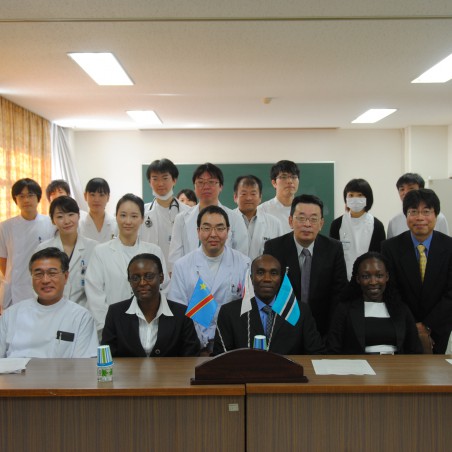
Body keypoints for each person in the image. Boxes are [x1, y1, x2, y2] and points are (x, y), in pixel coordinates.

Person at [168, 205, 250, 353]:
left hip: (232, 346)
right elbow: (178, 311)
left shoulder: (244, 263)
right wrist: (198, 344)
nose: (213, 234)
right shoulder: (182, 266)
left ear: (228, 231)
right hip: (193, 344)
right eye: (206, 228)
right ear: (198, 231)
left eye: (220, 228)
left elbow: (246, 310)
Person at [264, 194, 348, 337]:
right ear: (290, 221)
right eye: (301, 218)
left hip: (322, 328)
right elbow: (269, 292)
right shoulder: (274, 248)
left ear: (321, 224)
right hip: (283, 327)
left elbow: (339, 294)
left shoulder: (333, 249)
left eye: (313, 219)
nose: (307, 224)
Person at [381, 189, 452, 354]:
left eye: (426, 212)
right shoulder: (390, 247)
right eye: (413, 212)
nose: (420, 218)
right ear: (406, 215)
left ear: (436, 215)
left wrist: (428, 325)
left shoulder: (449, 247)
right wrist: (413, 325)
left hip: (440, 328)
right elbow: (391, 290)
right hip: (402, 327)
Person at [85, 194, 169, 332]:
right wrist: (109, 328)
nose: (128, 221)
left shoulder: (154, 251)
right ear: (116, 217)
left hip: (150, 327)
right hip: (111, 328)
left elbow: (164, 289)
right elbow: (95, 295)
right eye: (123, 215)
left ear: (142, 219)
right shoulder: (100, 252)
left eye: (134, 216)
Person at [213, 254, 325, 355]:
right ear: (251, 278)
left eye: (274, 273)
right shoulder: (229, 312)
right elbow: (220, 358)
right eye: (260, 272)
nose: (267, 279)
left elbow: (316, 354)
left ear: (280, 279)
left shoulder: (299, 311)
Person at [0, 247, 98, 358]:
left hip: (63, 370)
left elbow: (84, 363)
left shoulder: (81, 317)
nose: (45, 280)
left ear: (66, 276)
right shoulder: (11, 314)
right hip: (15, 369)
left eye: (52, 273)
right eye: (38, 274)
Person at [102, 253, 200, 357]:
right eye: (135, 278)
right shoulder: (115, 313)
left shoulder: (181, 314)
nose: (142, 283)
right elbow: (108, 357)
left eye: (149, 276)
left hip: (171, 369)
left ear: (161, 278)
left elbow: (191, 357)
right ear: (129, 281)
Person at [327, 252, 422, 354]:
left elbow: (415, 349)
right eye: (366, 276)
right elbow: (333, 349)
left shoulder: (401, 309)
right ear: (358, 279)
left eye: (379, 275)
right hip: (359, 363)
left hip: (396, 363)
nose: (373, 282)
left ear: (387, 277)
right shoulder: (345, 309)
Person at [168, 162, 249, 268]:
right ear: (194, 187)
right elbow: (175, 258)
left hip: (226, 275)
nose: (206, 187)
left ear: (221, 186)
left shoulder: (235, 218)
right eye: (200, 182)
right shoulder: (181, 219)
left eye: (211, 182)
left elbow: (241, 257)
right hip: (190, 276)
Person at [0, 178, 55, 310]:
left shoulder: (50, 224)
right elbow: (3, 259)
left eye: (30, 195)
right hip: (15, 289)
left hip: (42, 284)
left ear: (38, 198)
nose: (26, 200)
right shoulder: (5, 226)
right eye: (21, 196)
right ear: (15, 199)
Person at [35, 196, 98, 307]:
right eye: (60, 216)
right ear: (52, 220)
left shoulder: (94, 248)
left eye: (71, 214)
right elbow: (36, 284)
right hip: (52, 309)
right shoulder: (43, 249)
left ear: (78, 216)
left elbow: (98, 287)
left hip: (84, 311)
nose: (67, 221)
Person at [329, 178, 386, 279]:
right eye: (351, 195)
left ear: (367, 198)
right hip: (342, 281)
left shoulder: (377, 225)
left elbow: (380, 258)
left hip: (369, 282)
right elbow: (332, 256)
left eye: (360, 195)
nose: (355, 199)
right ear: (346, 199)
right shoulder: (337, 224)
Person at [140, 159, 190, 268]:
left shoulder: (188, 213)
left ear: (174, 180)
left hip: (178, 272)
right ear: (149, 182)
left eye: (165, 178)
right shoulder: (141, 212)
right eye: (155, 179)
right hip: (149, 271)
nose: (160, 183)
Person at [233, 175, 283, 260]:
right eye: (243, 194)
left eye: (253, 194)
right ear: (235, 197)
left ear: (260, 197)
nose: (249, 198)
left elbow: (280, 255)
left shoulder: (275, 223)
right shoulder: (225, 220)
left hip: (264, 268)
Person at [387, 173, 449, 238]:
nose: (405, 192)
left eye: (411, 188)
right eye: (402, 189)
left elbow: (445, 242)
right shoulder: (394, 221)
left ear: (421, 190)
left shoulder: (439, 218)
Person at [258, 160, 300, 234]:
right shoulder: (262, 211)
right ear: (274, 183)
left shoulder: (304, 210)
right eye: (284, 177)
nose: (290, 181)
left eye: (294, 177)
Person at [79, 178, 118, 243]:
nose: (96, 199)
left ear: (108, 197)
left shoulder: (116, 224)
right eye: (92, 195)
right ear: (85, 196)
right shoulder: (79, 225)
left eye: (101, 195)